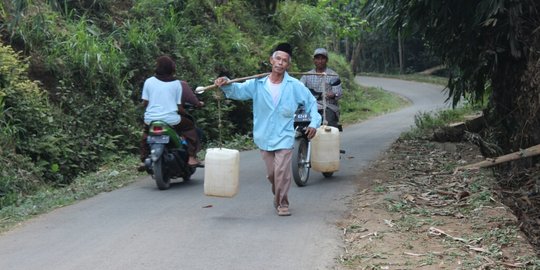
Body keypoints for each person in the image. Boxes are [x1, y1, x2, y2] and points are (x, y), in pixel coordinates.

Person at [214, 43, 321, 216]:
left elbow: (311, 103)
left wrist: (314, 123)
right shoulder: (258, 84)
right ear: (271, 60)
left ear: (288, 65)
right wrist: (225, 84)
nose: (280, 63)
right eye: (278, 59)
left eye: (284, 61)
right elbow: (238, 91)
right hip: (264, 136)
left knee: (282, 172)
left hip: (284, 136)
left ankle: (283, 203)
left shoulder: (294, 86)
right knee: (273, 174)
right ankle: (277, 194)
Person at [139, 55, 202, 170]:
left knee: (145, 133)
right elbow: (178, 106)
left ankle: (143, 159)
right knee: (189, 127)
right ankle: (191, 157)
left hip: (151, 119)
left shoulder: (148, 81)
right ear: (172, 69)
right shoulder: (177, 84)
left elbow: (145, 103)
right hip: (171, 119)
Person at [300, 48, 343, 127]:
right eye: (317, 58)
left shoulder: (333, 75)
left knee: (329, 124)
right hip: (310, 105)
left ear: (326, 60)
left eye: (323, 58)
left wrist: (333, 95)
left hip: (328, 106)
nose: (320, 61)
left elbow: (339, 94)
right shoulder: (307, 75)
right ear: (314, 60)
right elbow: (299, 89)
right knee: (298, 120)